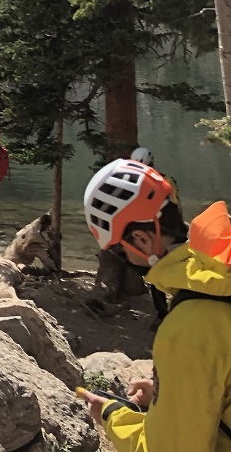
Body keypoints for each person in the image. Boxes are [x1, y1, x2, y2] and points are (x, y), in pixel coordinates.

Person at [79, 158, 231, 449]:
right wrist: (171, 397)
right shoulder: (221, 271)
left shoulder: (188, 327)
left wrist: (114, 417)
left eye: (119, 252)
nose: (125, 260)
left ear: (141, 239)